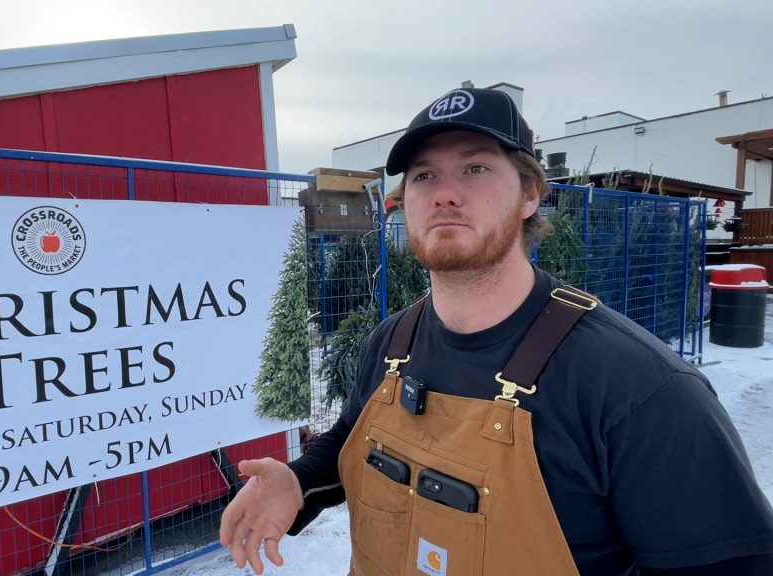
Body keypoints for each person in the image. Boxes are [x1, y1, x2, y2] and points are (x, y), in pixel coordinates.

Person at [219, 87, 773, 575]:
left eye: (476, 168)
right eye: (424, 176)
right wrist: (299, 483)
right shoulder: (390, 344)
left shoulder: (637, 387)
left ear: (530, 193)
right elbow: (352, 439)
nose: (445, 193)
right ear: (404, 204)